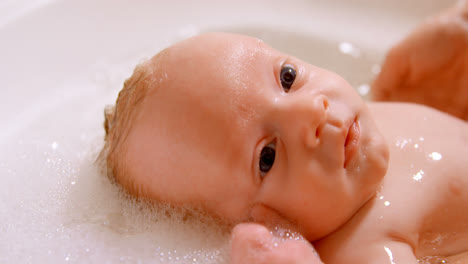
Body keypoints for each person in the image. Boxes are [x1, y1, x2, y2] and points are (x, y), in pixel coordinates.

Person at [100, 19, 468, 264]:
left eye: (287, 78)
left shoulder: (368, 118)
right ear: (268, 225)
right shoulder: (364, 246)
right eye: (267, 157)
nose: (311, 112)